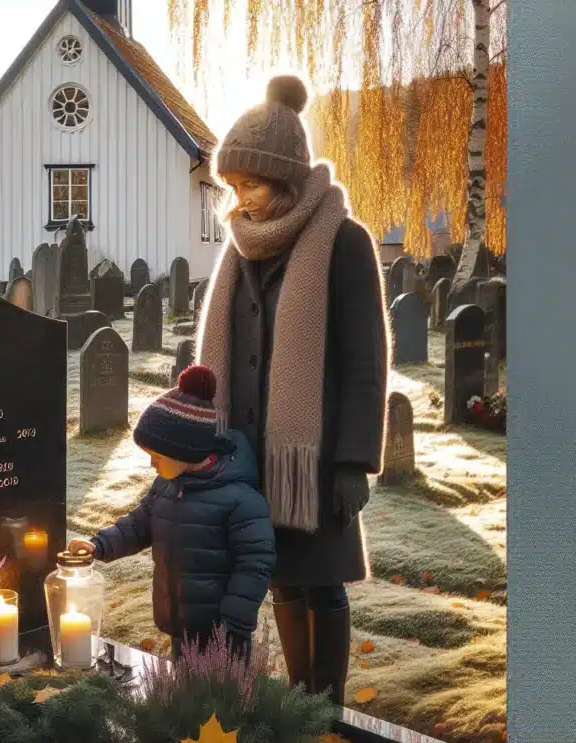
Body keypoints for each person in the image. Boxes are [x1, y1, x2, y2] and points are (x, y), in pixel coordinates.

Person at [192, 74, 390, 706]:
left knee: (322, 584)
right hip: (250, 455)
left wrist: (355, 462)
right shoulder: (242, 250)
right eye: (234, 186)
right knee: (279, 579)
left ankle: (322, 706)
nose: (239, 199)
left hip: (317, 458)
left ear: (284, 177)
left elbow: (367, 362)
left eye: (249, 184)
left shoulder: (344, 242)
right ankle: (295, 703)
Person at [68, 365, 275, 658]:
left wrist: (235, 621)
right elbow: (138, 526)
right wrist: (98, 545)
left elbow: (255, 562)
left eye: (157, 456)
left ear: (186, 452)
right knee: (183, 697)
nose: (152, 464)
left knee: (224, 698)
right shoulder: (166, 486)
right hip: (180, 622)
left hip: (224, 633)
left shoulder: (240, 500)